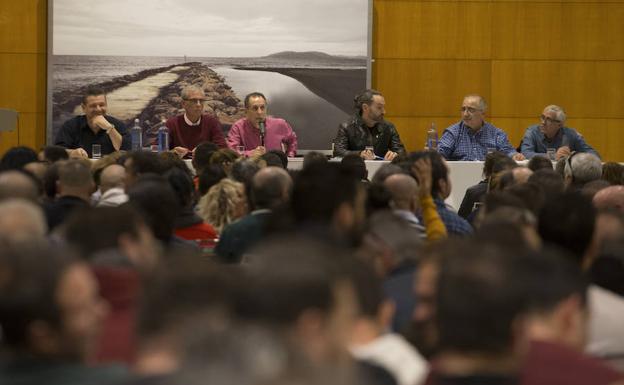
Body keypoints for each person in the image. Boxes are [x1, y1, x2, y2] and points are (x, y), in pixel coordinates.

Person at [438, 95, 524, 161]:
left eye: (471, 110)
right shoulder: (453, 132)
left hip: (488, 179)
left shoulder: (496, 134)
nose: (465, 114)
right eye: (463, 109)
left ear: (483, 114)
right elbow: (440, 153)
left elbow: (508, 152)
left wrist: (515, 156)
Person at [54, 87, 131, 158]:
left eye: (102, 105)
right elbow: (57, 151)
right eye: (93, 106)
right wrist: (72, 152)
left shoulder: (118, 124)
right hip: (81, 169)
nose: (98, 109)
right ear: (84, 108)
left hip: (109, 170)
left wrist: (110, 128)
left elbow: (125, 151)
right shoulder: (71, 125)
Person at [334, 89, 404, 161]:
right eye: (379, 107)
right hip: (357, 169)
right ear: (365, 108)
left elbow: (401, 152)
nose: (384, 112)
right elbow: (338, 152)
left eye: (383, 107)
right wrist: (359, 154)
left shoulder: (388, 127)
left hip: (381, 169)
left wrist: (395, 156)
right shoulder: (347, 127)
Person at [227, 92, 298, 157]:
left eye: (262, 107)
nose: (259, 112)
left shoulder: (280, 124)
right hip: (251, 168)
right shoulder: (238, 127)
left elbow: (292, 140)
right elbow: (231, 151)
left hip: (275, 167)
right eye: (255, 108)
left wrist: (289, 156)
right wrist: (250, 154)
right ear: (246, 111)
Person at [165, 85, 227, 158]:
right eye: (194, 101)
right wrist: (172, 152)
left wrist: (205, 151)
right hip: (180, 166)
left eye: (201, 101)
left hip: (204, 166)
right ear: (183, 104)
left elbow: (223, 147)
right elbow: (158, 148)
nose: (198, 105)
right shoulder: (172, 124)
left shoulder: (211, 122)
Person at [520, 105, 600, 160]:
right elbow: (525, 153)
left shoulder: (571, 135)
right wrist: (553, 156)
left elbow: (594, 155)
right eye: (542, 117)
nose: (543, 122)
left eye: (548, 120)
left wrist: (571, 156)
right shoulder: (532, 132)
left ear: (559, 124)